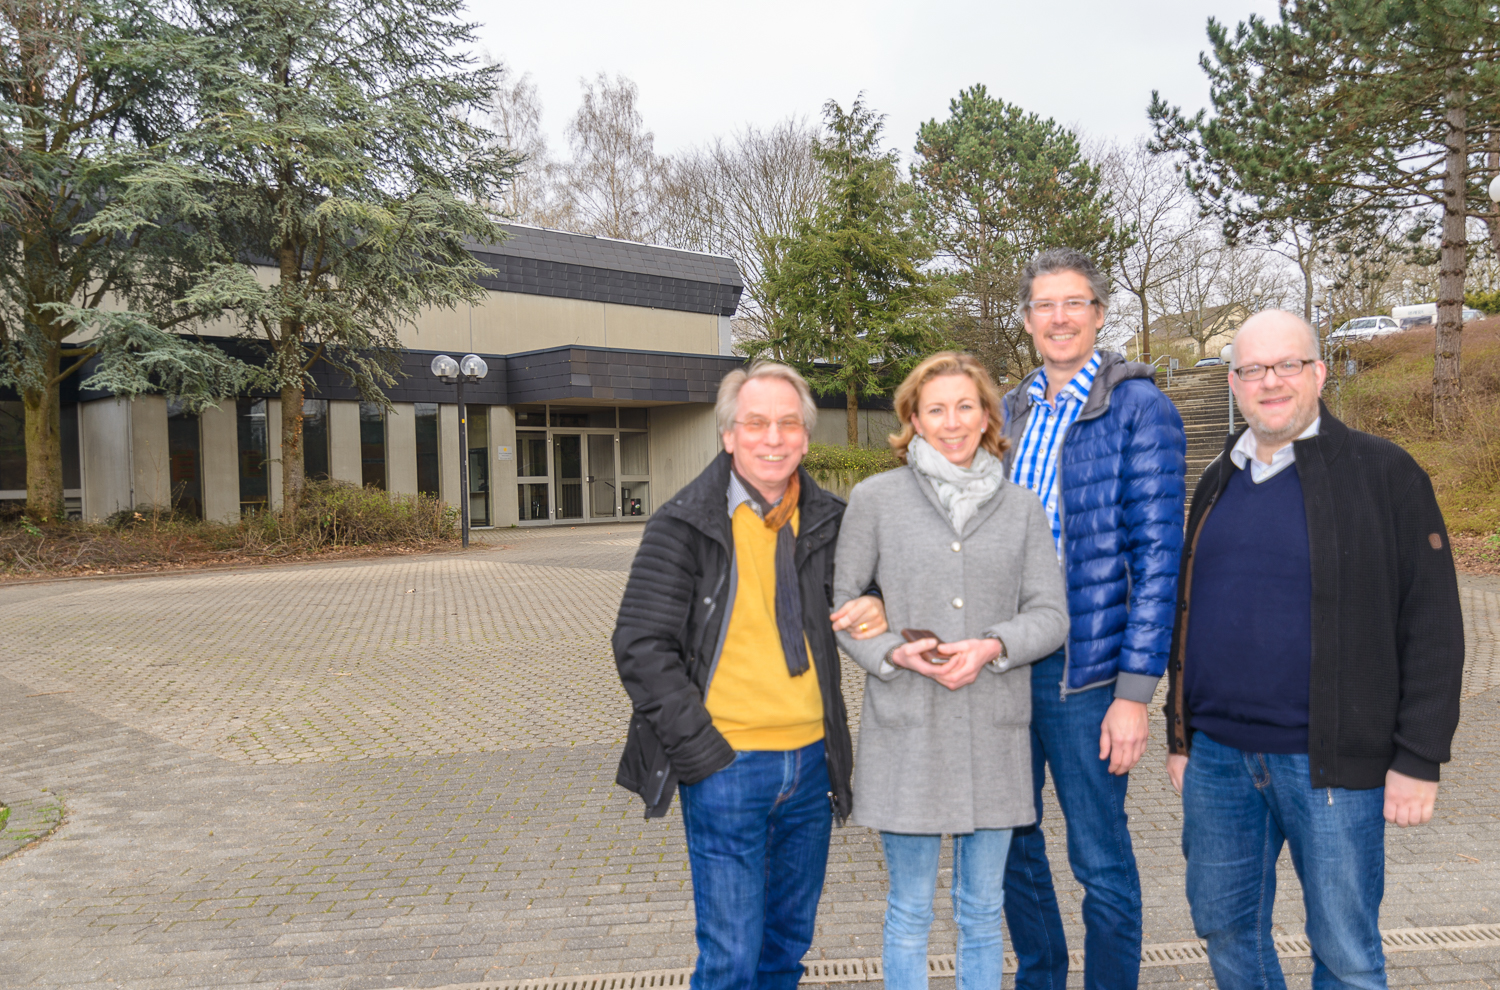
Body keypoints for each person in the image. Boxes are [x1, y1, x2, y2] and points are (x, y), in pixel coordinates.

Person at [1165, 310, 1465, 990]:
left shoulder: (1385, 474)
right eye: (1251, 370)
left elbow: (1434, 622)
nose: (1269, 382)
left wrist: (1419, 756)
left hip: (1331, 764)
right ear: (1233, 384)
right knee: (1224, 927)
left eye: (1286, 365)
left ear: (1319, 373)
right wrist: (1181, 736)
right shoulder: (1216, 479)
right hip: (1218, 761)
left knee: (1345, 952)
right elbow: (1189, 613)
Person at [612, 361, 889, 990]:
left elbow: (866, 589)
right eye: (756, 423)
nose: (773, 437)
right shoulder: (683, 525)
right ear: (729, 435)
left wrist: (875, 595)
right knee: (732, 957)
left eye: (788, 424)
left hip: (812, 762)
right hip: (727, 765)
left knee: (786, 948)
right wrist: (701, 751)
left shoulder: (829, 520)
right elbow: (639, 645)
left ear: (805, 438)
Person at [833, 351, 1069, 990]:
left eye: (966, 405)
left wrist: (993, 645)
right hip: (909, 727)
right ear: (912, 418)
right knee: (909, 911)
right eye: (935, 409)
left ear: (988, 414)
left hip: (992, 730)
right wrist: (889, 651)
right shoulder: (875, 499)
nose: (952, 421)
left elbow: (1051, 614)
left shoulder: (1021, 508)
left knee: (982, 911)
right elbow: (845, 604)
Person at [999, 247, 1188, 990]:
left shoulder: (1138, 407)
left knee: (1100, 858)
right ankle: (1040, 977)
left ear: (1100, 314)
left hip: (1088, 675)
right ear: (1027, 320)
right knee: (1012, 845)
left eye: (1074, 302)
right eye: (1045, 305)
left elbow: (1159, 560)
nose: (1059, 318)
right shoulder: (1009, 410)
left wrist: (1134, 694)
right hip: (1009, 665)